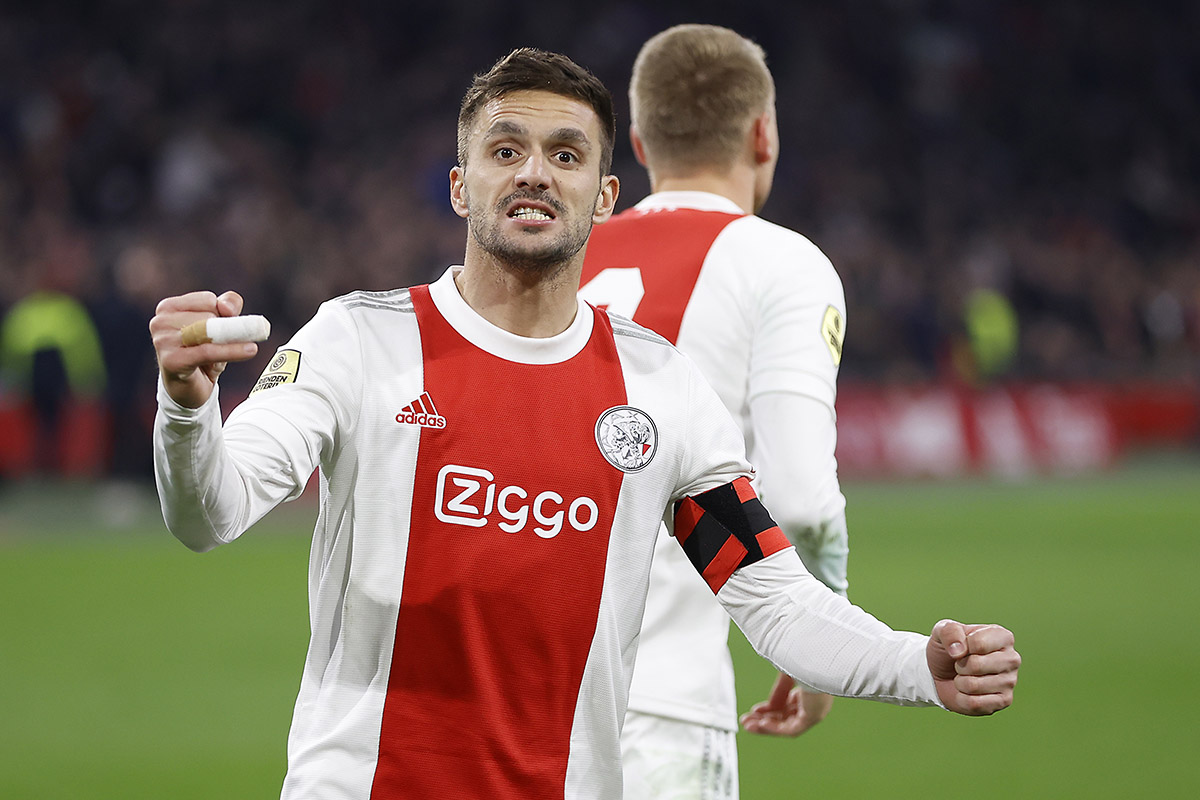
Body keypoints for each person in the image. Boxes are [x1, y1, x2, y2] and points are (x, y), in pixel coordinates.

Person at [150, 48, 1019, 800]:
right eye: (506, 150)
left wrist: (919, 665)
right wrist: (188, 409)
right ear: (460, 186)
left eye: (564, 155)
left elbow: (775, 599)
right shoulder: (359, 340)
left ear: (604, 198)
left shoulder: (661, 388)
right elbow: (209, 512)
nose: (534, 172)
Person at [578, 25, 849, 797]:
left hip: (510, 700)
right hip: (661, 705)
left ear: (638, 143)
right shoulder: (782, 262)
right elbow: (801, 502)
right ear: (763, 135)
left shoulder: (554, 255)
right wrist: (822, 641)